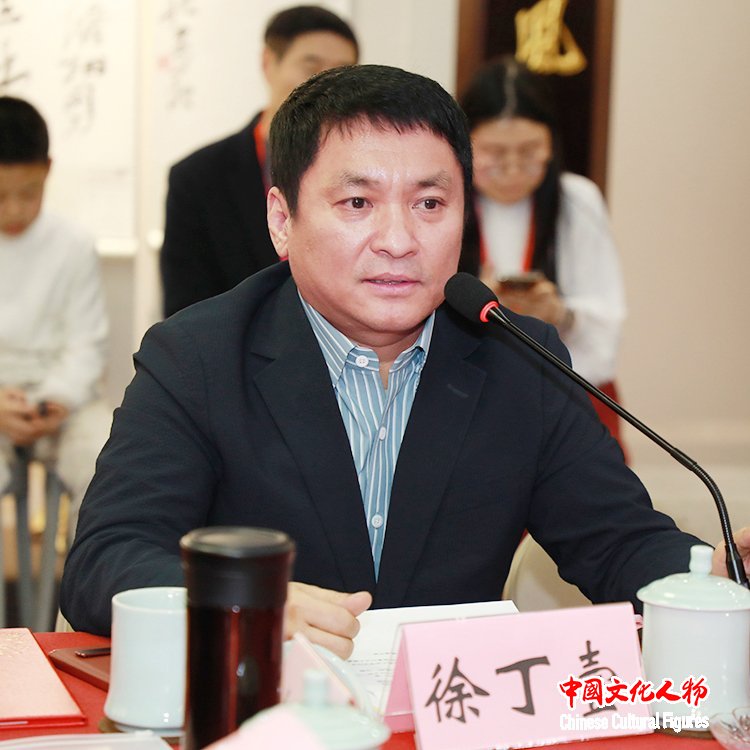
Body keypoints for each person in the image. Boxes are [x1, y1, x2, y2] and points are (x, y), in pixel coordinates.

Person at [60, 64, 747, 658]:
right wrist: (241, 601)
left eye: (430, 203)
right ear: (282, 220)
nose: (398, 239)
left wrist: (714, 578)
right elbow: (105, 561)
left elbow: (620, 542)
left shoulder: (520, 360)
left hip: (453, 719)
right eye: (358, 202)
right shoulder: (199, 357)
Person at [459, 57, 627, 448]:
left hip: (565, 394)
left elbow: (607, 322)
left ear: (551, 143)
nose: (513, 169)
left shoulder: (577, 201)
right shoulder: (438, 200)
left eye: (530, 151)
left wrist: (559, 315)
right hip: (466, 398)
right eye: (494, 153)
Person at [160, 4, 359, 317]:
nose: (327, 84)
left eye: (342, 72)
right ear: (268, 64)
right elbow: (186, 311)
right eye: (312, 66)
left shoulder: (365, 172)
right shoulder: (198, 177)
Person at [0, 96, 111, 539]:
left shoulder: (72, 244)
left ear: (47, 170)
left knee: (109, 459)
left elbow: (87, 345)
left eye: (28, 193)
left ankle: (86, 581)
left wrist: (53, 399)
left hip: (61, 402)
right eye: (0, 195)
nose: (14, 209)